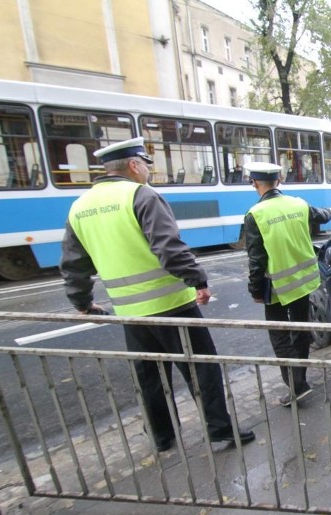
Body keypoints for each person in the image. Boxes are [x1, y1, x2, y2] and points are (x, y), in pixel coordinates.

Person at [60, 137, 255, 452]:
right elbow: (168, 248)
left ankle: (162, 437)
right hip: (172, 306)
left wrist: (82, 303)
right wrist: (198, 280)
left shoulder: (79, 207)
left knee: (150, 376)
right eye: (146, 166)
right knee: (201, 366)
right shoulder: (141, 195)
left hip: (130, 314)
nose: (148, 172)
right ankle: (219, 428)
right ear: (134, 166)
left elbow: (73, 265)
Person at [243, 162, 331, 406]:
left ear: (255, 183)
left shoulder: (255, 215)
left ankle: (297, 386)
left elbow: (257, 261)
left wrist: (255, 290)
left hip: (277, 288)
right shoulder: (299, 204)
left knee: (280, 337)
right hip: (303, 283)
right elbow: (324, 215)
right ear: (279, 181)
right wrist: (326, 212)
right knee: (301, 331)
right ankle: (299, 381)